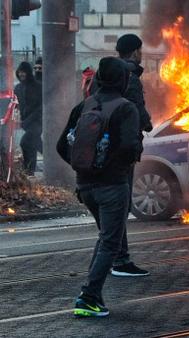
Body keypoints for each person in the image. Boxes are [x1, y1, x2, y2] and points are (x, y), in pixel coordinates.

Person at [56, 57, 142, 317]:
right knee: (110, 244)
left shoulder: (84, 105)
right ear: (123, 80)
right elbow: (129, 146)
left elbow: (62, 145)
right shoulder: (126, 108)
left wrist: (84, 166)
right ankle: (89, 296)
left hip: (85, 187)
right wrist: (113, 166)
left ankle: (92, 294)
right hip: (112, 186)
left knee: (105, 238)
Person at [108, 33, 153, 277]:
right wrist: (148, 124)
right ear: (136, 51)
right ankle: (119, 260)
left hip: (105, 148)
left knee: (113, 206)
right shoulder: (131, 78)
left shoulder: (104, 76)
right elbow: (138, 111)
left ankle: (114, 257)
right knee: (120, 205)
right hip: (123, 149)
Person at [14, 61, 43, 176]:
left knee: (25, 142)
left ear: (28, 72)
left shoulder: (38, 86)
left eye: (24, 72)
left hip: (37, 122)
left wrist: (28, 119)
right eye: (20, 72)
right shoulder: (18, 88)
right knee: (34, 144)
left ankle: (28, 169)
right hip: (26, 122)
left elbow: (41, 107)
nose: (21, 74)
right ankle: (29, 171)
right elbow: (16, 104)